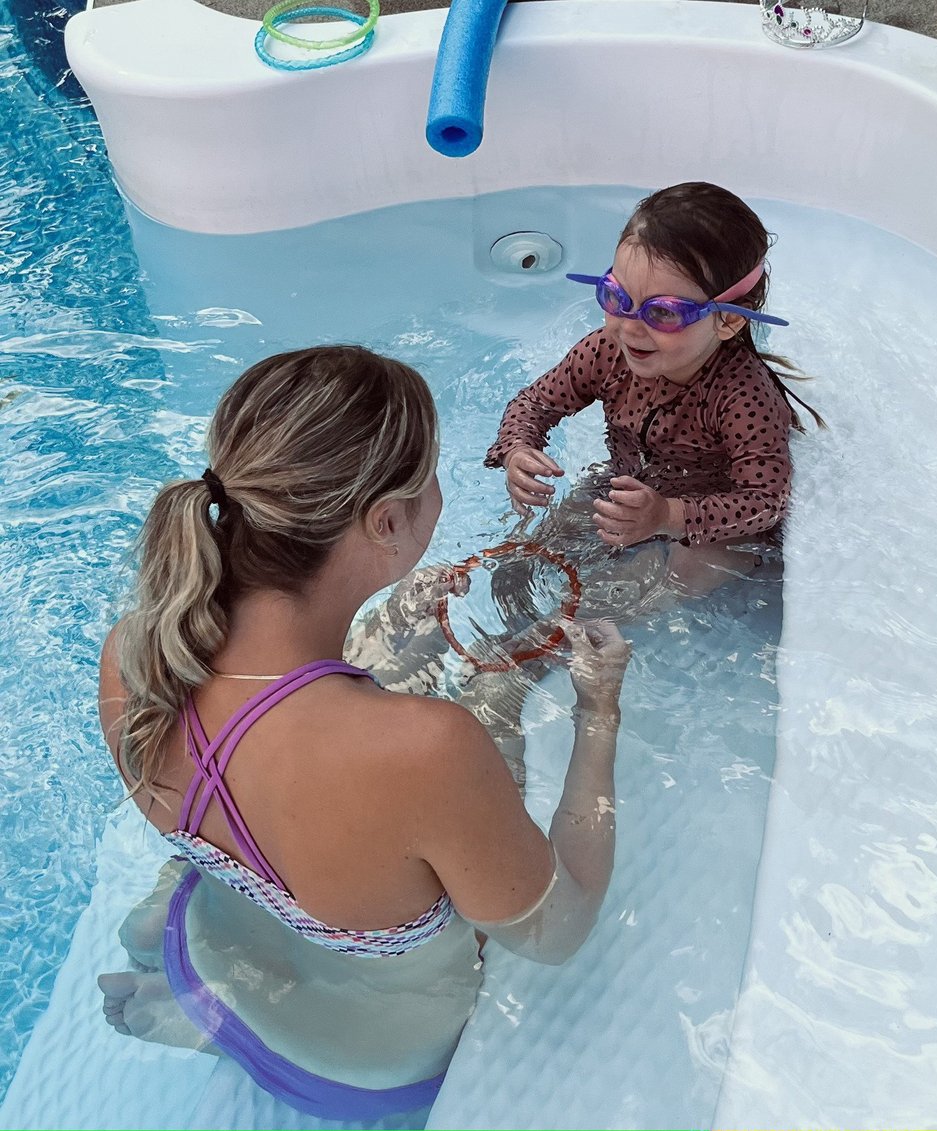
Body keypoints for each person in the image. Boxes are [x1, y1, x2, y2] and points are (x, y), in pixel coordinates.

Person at [96, 345, 630, 1129]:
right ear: (385, 520)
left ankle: (191, 996)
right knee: (493, 706)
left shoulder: (137, 651)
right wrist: (599, 713)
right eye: (434, 473)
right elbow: (557, 931)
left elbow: (274, 746)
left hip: (206, 953)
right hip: (363, 1065)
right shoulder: (424, 747)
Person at [485, 181, 824, 621]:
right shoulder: (606, 353)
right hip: (633, 488)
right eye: (617, 297)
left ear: (727, 320)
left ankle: (572, 636)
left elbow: (765, 501)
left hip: (710, 523)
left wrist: (668, 516)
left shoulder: (743, 396)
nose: (629, 327)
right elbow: (534, 403)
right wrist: (517, 449)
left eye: (663, 311)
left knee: (689, 565)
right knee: (531, 553)